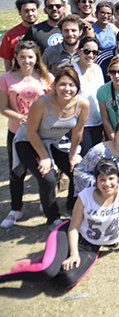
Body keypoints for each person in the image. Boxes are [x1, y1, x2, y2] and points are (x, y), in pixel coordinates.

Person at [0, 160, 119, 288]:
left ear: (118, 178)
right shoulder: (85, 196)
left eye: (111, 178)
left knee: (66, 279)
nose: (107, 183)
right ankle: (7, 277)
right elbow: (74, 227)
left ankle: (39, 262)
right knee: (48, 271)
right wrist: (74, 253)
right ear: (96, 181)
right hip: (68, 234)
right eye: (102, 179)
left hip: (91, 247)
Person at [12, 66, 90, 226]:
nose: (67, 89)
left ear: (77, 87)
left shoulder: (83, 104)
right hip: (28, 141)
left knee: (77, 172)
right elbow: (31, 132)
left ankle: (71, 206)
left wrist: (73, 154)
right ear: (54, 86)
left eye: (72, 85)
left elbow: (77, 132)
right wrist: (45, 157)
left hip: (56, 141)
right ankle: (52, 218)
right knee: (47, 178)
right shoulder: (42, 103)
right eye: (62, 84)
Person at [0, 41, 54, 228]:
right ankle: (16, 208)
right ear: (16, 58)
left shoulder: (46, 77)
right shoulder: (6, 78)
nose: (26, 60)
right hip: (16, 132)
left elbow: (55, 102)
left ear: (36, 58)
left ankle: (45, 203)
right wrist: (21, 117)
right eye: (22, 57)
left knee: (43, 170)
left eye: (30, 57)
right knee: (17, 171)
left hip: (42, 133)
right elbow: (3, 107)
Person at [73, 119, 119, 210]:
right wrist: (98, 184)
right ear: (115, 134)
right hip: (100, 189)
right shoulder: (99, 151)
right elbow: (79, 172)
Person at [72, 36, 105, 153]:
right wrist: (76, 129)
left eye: (95, 52)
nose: (91, 55)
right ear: (79, 51)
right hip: (80, 125)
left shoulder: (98, 69)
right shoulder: (72, 70)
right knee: (87, 157)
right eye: (87, 51)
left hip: (98, 122)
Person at [1, 0, 39, 71]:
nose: (30, 14)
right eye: (26, 11)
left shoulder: (46, 30)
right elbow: (8, 62)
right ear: (19, 12)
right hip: (21, 77)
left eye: (33, 10)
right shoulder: (10, 35)